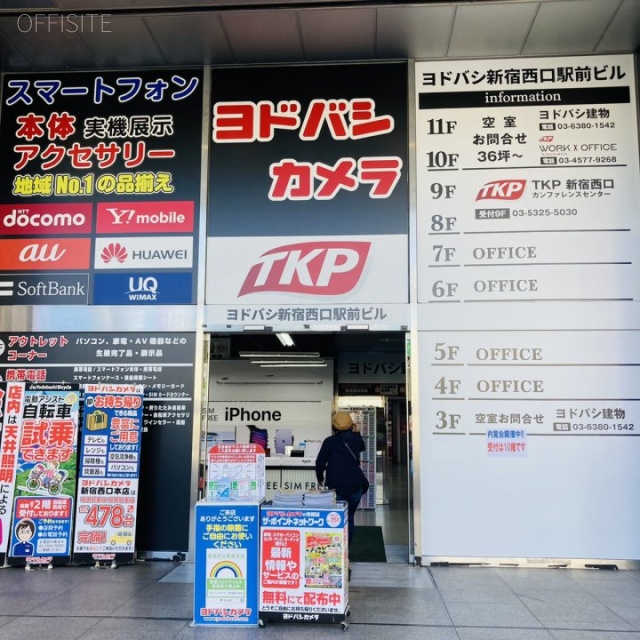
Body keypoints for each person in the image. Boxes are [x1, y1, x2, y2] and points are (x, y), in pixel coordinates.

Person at [315, 411, 366, 552]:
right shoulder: (356, 440)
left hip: (336, 488)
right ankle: (347, 549)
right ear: (350, 424)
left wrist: (320, 478)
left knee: (335, 518)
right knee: (349, 517)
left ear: (334, 426)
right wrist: (356, 432)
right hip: (356, 486)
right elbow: (362, 447)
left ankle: (336, 549)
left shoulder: (329, 442)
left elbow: (320, 463)